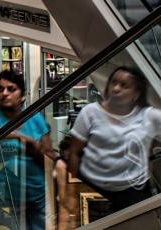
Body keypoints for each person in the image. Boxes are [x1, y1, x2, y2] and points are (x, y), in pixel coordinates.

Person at [0, 70, 56, 230]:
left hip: (34, 194)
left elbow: (47, 156)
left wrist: (36, 149)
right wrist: (18, 136)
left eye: (11, 89)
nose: (4, 93)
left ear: (23, 95)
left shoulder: (35, 118)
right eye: (0, 89)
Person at [67, 66, 161, 212]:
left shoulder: (149, 116)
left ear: (136, 94)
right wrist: (71, 192)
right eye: (114, 82)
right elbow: (74, 152)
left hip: (133, 192)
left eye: (124, 86)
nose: (116, 89)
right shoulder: (90, 112)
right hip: (93, 187)